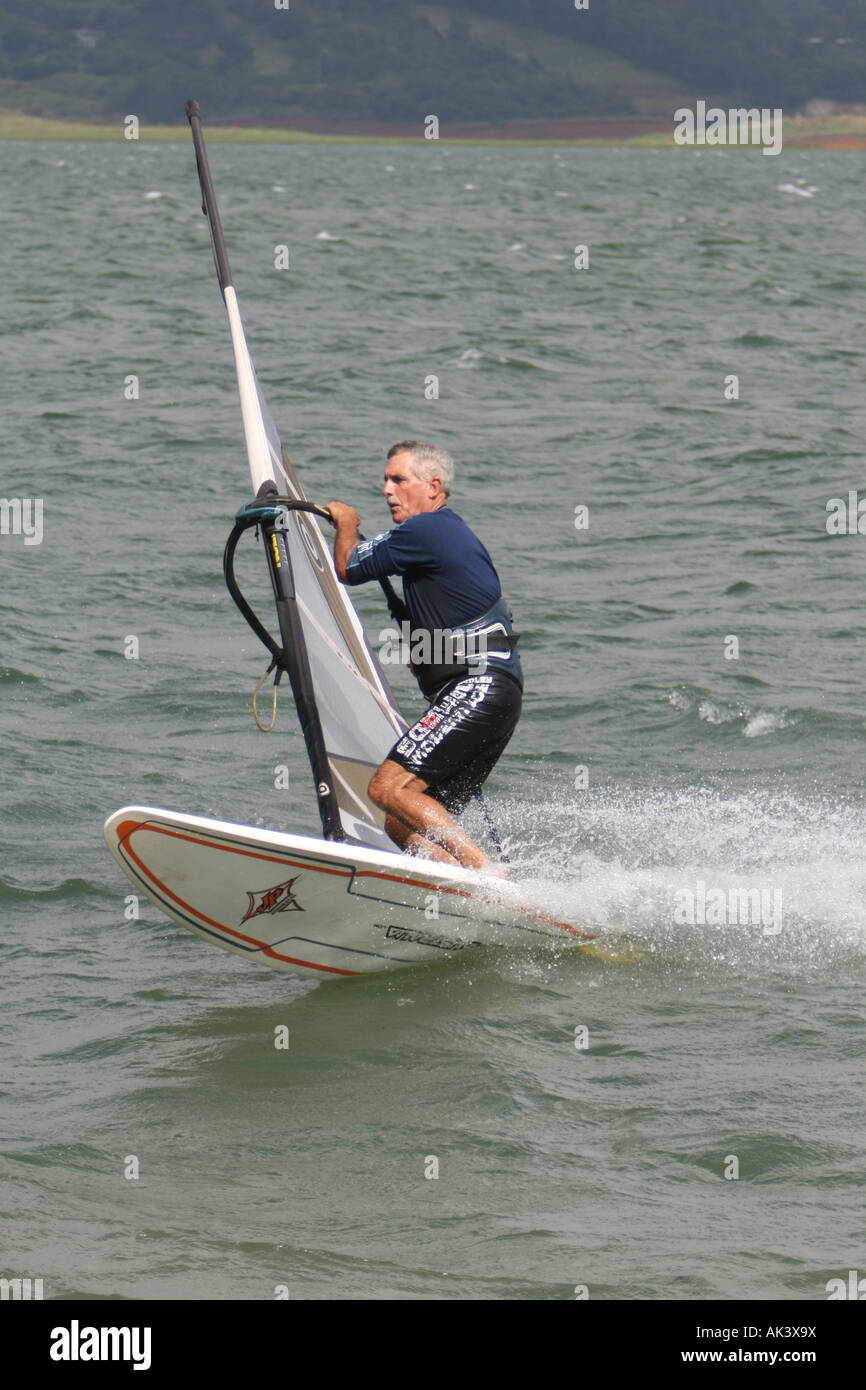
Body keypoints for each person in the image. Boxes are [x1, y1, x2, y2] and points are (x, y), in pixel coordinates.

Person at [328, 440, 522, 871]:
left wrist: (345, 521)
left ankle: (485, 874)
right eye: (385, 480)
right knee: (401, 818)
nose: (386, 490)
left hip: (478, 687)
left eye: (398, 479)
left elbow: (347, 566)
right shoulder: (436, 540)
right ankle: (463, 889)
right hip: (494, 695)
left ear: (433, 486)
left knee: (388, 789)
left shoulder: (427, 529)